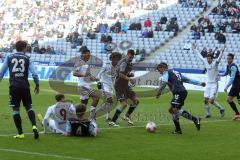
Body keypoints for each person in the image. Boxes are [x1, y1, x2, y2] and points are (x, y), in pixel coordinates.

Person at [0, 40, 40, 139]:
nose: (27, 49)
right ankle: (34, 126)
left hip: (13, 86)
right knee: (28, 107)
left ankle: (20, 133)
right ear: (23, 48)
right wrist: (37, 84)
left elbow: (1, 72)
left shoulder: (9, 57)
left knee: (15, 109)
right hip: (25, 86)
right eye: (26, 47)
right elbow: (34, 73)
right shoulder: (28, 58)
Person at [156, 62, 206, 134]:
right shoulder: (177, 73)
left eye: (159, 70)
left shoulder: (166, 72)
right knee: (171, 110)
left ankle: (195, 119)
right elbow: (188, 80)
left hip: (178, 92)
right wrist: (199, 83)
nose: (159, 72)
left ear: (163, 68)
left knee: (174, 109)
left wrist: (159, 92)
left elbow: (164, 82)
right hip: (182, 92)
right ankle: (178, 129)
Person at [192, 43, 225, 118]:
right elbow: (199, 56)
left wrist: (222, 52)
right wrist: (195, 49)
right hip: (208, 84)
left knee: (211, 100)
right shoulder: (205, 61)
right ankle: (208, 113)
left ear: (212, 59)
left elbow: (219, 58)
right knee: (205, 100)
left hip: (214, 84)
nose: (208, 59)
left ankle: (221, 109)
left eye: (210, 58)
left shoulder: (215, 63)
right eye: (207, 58)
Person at [109, 50, 139, 127]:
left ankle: (127, 115)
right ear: (127, 54)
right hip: (119, 85)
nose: (131, 58)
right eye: (130, 56)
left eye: (132, 57)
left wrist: (130, 75)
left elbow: (125, 74)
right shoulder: (124, 63)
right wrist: (130, 79)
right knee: (124, 104)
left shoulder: (129, 63)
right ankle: (113, 121)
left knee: (136, 100)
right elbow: (120, 74)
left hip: (126, 85)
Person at [73, 48, 100, 120]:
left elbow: (89, 76)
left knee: (83, 106)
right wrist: (84, 74)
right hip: (83, 86)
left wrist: (95, 79)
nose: (89, 56)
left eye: (90, 55)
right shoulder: (79, 63)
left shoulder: (86, 64)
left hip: (85, 86)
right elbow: (74, 73)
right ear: (83, 54)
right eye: (88, 55)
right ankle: (92, 116)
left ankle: (79, 118)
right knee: (96, 97)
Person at [97, 52, 122, 121]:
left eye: (119, 59)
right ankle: (97, 113)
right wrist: (98, 82)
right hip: (104, 85)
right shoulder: (106, 65)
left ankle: (106, 116)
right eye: (117, 59)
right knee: (110, 100)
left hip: (111, 86)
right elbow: (99, 74)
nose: (118, 61)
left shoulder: (118, 67)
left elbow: (118, 75)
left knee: (110, 102)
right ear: (112, 59)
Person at [219, 53, 240, 120]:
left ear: (232, 59)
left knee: (239, 101)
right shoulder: (228, 65)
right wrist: (218, 74)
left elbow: (232, 78)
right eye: (227, 59)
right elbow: (225, 73)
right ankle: (237, 114)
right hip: (235, 85)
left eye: (229, 59)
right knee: (229, 99)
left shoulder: (233, 67)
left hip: (238, 85)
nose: (228, 60)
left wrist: (227, 86)